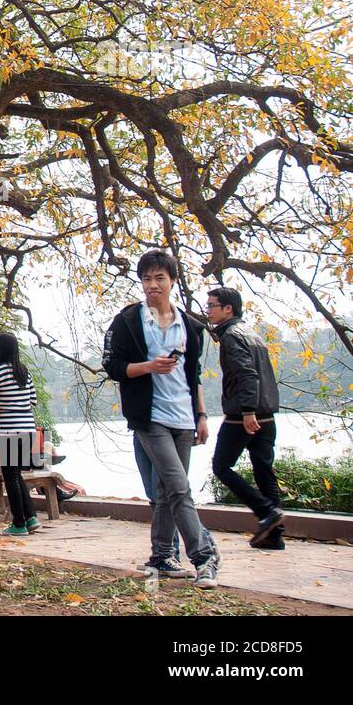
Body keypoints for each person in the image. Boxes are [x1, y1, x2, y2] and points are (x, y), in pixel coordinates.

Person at [102, 249, 218, 589]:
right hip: (148, 418)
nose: (153, 285)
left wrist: (202, 415)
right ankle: (205, 558)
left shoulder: (191, 326)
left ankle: (162, 556)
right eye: (146, 279)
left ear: (172, 281)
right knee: (179, 487)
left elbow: (193, 375)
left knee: (169, 490)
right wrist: (149, 367)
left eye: (159, 278)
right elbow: (113, 367)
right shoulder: (127, 322)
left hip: (183, 417)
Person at [206, 287, 285, 550]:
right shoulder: (253, 334)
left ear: (228, 309)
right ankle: (274, 536)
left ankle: (265, 511)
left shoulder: (231, 336)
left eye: (212, 306)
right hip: (267, 414)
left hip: (244, 415)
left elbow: (246, 374)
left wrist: (248, 410)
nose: (208, 311)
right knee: (264, 472)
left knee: (221, 466)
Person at [0, 333, 40, 536]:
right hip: (28, 427)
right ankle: (31, 516)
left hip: (8, 429)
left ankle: (18, 523)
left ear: (0, 348)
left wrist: (2, 409)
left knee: (10, 476)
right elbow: (33, 400)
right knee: (17, 475)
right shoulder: (24, 371)